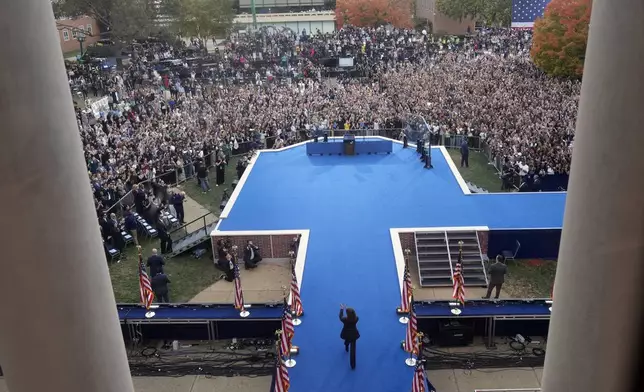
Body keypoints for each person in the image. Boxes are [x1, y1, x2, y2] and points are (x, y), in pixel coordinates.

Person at [339, 304, 360, 370]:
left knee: (347, 340)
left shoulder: (345, 320)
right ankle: (353, 365)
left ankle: (346, 346)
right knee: (353, 349)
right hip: (354, 334)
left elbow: (340, 316)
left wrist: (341, 309)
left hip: (346, 333)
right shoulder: (356, 319)